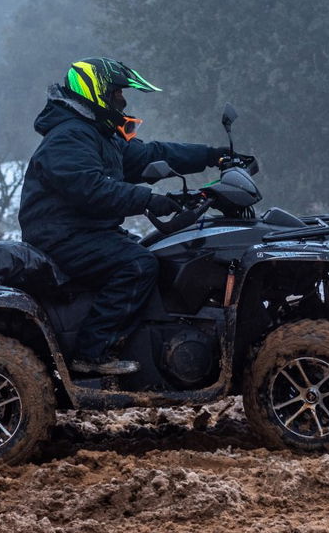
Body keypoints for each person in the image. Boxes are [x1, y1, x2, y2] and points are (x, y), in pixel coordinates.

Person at [18, 58, 225, 376]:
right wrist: (149, 201)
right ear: (96, 92)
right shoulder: (69, 136)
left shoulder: (97, 133)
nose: (123, 100)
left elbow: (150, 154)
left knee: (162, 252)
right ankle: (91, 353)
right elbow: (91, 189)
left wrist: (213, 156)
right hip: (61, 235)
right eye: (117, 93)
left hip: (84, 230)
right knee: (138, 265)